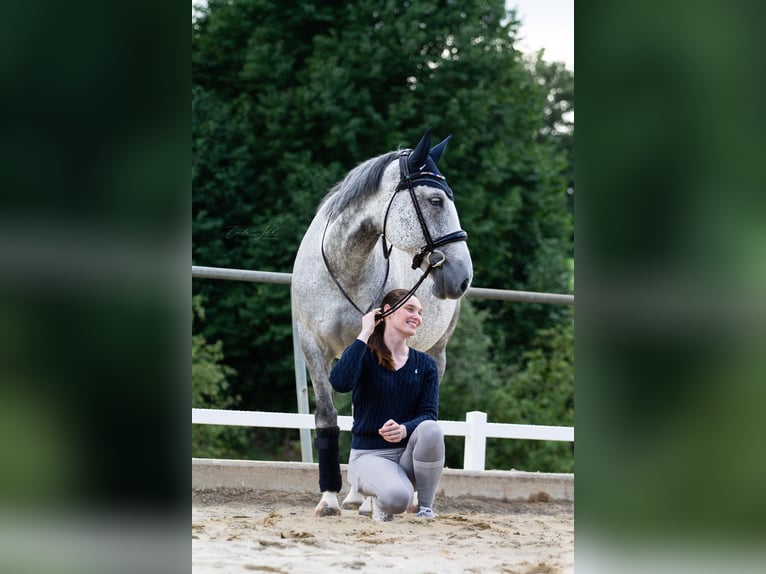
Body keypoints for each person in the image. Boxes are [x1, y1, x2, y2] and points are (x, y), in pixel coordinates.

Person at [329, 289, 445, 521]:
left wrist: (404, 429)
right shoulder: (364, 354)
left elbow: (428, 414)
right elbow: (340, 383)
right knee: (397, 501)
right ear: (387, 313)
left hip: (408, 458)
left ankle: (425, 509)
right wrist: (365, 332)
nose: (417, 316)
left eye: (420, 312)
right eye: (410, 309)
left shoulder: (425, 364)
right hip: (370, 456)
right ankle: (383, 497)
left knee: (431, 429)